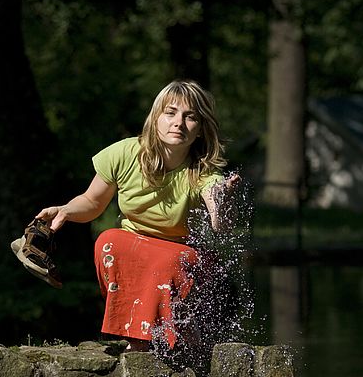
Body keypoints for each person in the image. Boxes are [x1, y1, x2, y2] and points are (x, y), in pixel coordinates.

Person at [35, 80, 240, 352]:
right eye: (170, 113)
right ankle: (135, 340)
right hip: (134, 245)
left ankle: (172, 340)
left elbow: (220, 220)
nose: (178, 122)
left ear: (201, 129)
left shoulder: (204, 173)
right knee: (108, 239)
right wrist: (65, 210)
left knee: (171, 260)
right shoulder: (124, 153)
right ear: (155, 118)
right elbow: (92, 202)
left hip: (181, 254)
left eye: (190, 117)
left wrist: (221, 206)